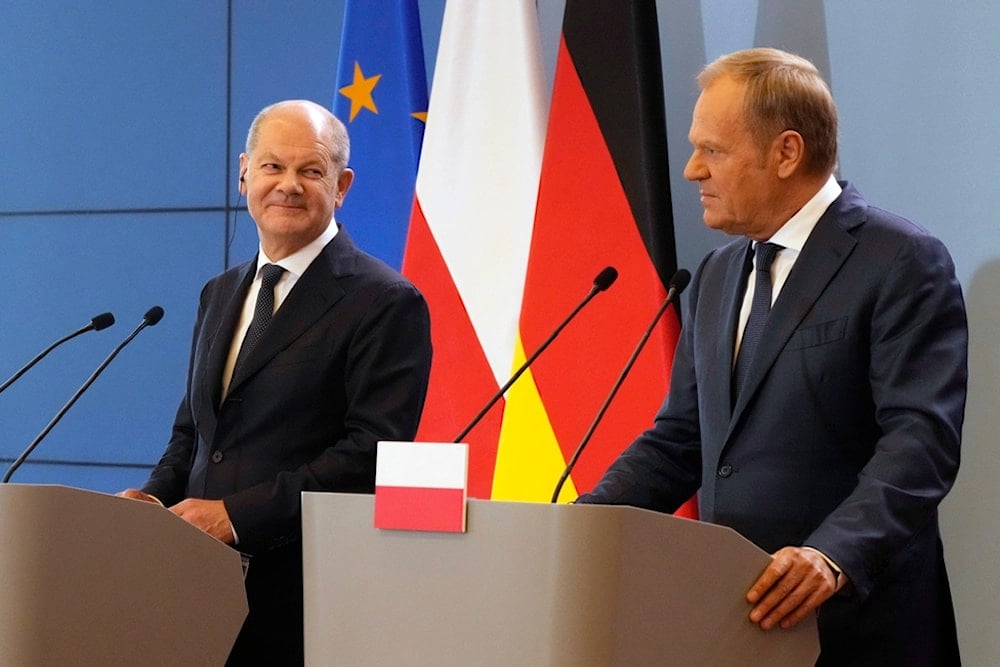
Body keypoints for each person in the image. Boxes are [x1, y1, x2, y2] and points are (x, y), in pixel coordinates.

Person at [576, 48, 967, 665]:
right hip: (732, 624)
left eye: (714, 150)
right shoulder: (715, 273)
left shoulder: (900, 260)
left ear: (787, 153)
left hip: (857, 630)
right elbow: (681, 439)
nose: (691, 170)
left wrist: (831, 553)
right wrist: (580, 526)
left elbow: (920, 442)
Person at [120, 100, 432, 665]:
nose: (288, 185)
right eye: (272, 167)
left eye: (310, 171)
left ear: (341, 186)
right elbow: (193, 433)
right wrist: (152, 501)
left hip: (307, 600)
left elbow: (371, 455)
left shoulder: (385, 302)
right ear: (244, 173)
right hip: (194, 588)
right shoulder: (220, 292)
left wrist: (236, 514)